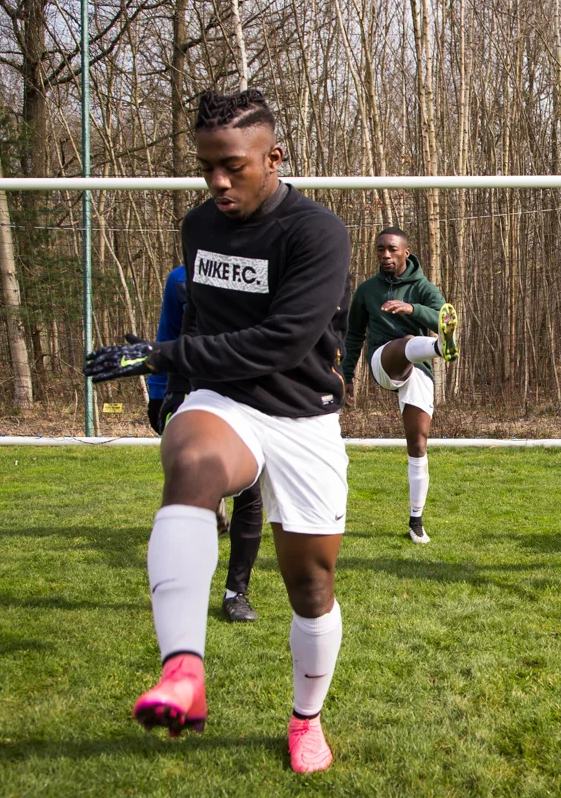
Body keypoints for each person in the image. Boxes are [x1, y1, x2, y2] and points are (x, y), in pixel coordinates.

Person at [84, 89, 353, 773]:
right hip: (223, 399)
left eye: (231, 166)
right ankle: (183, 669)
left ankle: (305, 721)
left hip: (302, 415)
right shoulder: (198, 225)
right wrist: (173, 390)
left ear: (274, 157)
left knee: (311, 586)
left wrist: (160, 355)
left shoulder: (317, 233)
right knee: (192, 463)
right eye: (206, 167)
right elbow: (204, 320)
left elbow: (282, 344)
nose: (217, 182)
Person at [150, 264, 266, 621]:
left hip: (257, 394)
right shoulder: (181, 279)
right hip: (203, 391)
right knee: (193, 474)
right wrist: (163, 392)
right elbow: (172, 331)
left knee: (251, 490)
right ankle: (184, 592)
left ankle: (236, 594)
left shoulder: (267, 268)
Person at [341, 227, 459, 545]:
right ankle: (438, 349)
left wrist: (412, 309)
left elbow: (442, 316)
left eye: (392, 249)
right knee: (406, 341)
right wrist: (347, 376)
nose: (386, 255)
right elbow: (353, 336)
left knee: (418, 444)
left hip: (417, 371)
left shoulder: (423, 287)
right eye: (380, 249)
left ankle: (416, 521)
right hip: (383, 361)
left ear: (406, 252)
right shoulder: (367, 291)